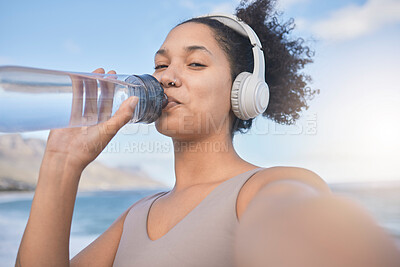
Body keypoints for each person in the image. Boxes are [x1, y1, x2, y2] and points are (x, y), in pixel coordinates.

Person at [15, 0, 400, 266]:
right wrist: (61, 164)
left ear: (242, 92)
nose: (166, 77)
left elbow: (313, 233)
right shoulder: (136, 215)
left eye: (196, 63)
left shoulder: (267, 188)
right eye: (160, 65)